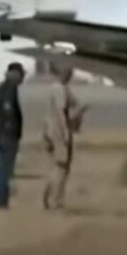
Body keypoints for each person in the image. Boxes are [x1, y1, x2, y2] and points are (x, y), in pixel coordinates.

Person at [41, 66, 87, 211]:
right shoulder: (59, 89)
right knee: (61, 166)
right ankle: (55, 199)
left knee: (60, 165)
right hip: (59, 131)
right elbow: (61, 112)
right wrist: (66, 131)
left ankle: (51, 194)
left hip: (52, 130)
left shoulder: (59, 88)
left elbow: (74, 104)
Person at [0, 62, 25, 209]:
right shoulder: (9, 88)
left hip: (2, 132)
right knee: (3, 168)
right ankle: (0, 200)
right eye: (21, 74)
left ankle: (0, 199)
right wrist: (11, 128)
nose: (23, 77)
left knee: (3, 167)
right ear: (14, 73)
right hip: (7, 134)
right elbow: (7, 108)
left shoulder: (3, 87)